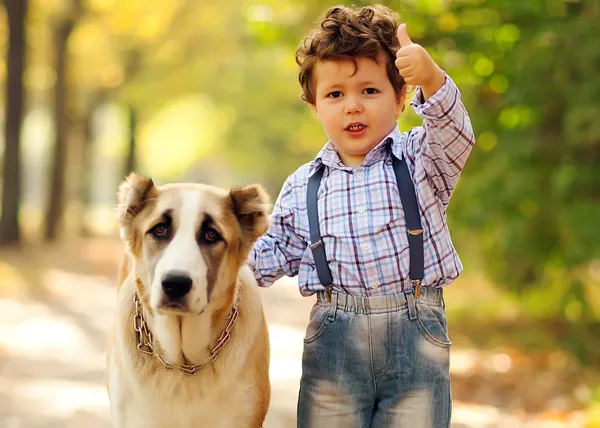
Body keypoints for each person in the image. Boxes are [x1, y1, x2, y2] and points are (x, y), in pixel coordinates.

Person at [247, 4, 475, 427]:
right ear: (315, 105)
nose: (353, 106)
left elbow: (456, 134)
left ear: (400, 97)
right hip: (334, 347)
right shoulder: (303, 185)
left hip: (416, 341)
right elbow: (267, 256)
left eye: (369, 91)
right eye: (335, 94)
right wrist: (214, 248)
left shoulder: (420, 158)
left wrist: (432, 79)